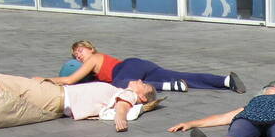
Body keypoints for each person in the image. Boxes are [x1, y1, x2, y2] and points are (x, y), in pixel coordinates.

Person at [0, 72, 158, 133]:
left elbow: (124, 104)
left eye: (144, 85)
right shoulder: (118, 91)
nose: (140, 81)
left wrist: (120, 119)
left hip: (55, 96)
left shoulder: (127, 94)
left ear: (141, 97)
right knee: (9, 88)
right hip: (55, 97)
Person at [40, 40, 246, 94]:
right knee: (183, 76)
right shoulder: (93, 66)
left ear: (90, 49)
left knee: (118, 86)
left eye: (80, 51)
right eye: (76, 55)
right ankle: (225, 81)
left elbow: (69, 80)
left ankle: (167, 87)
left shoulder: (95, 58)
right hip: (140, 65)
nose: (79, 55)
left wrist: (44, 81)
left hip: (126, 69)